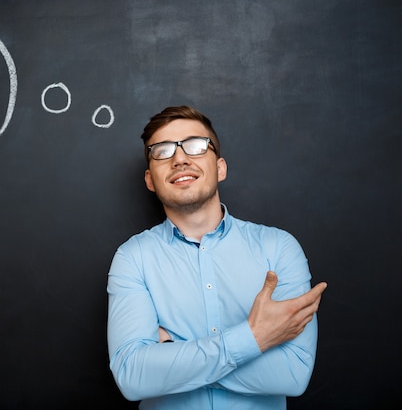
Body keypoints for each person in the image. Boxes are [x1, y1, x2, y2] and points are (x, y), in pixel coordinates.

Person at [107, 106, 327, 409]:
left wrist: (172, 353)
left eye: (196, 146)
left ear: (220, 168)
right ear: (149, 179)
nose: (180, 159)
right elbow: (133, 377)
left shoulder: (279, 249)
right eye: (162, 151)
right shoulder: (133, 258)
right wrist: (255, 339)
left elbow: (293, 373)